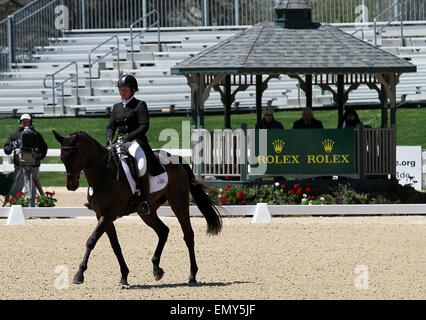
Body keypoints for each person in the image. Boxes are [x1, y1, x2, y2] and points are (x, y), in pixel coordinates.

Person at [106, 74, 165, 214]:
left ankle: (144, 200)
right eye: (120, 89)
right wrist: (109, 138)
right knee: (105, 162)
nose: (122, 92)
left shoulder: (140, 105)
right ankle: (100, 196)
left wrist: (129, 136)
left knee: (141, 166)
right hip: (119, 142)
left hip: (135, 142)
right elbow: (110, 126)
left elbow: (144, 126)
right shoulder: (116, 107)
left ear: (133, 90)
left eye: (125, 89)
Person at [3, 113, 48, 206]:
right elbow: (6, 149)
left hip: (34, 165)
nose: (26, 123)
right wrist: (12, 146)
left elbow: (44, 148)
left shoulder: (36, 134)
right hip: (19, 165)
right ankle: (15, 207)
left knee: (32, 188)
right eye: (24, 121)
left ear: (31, 122)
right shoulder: (15, 134)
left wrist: (38, 156)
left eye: (27, 121)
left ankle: (31, 208)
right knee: (17, 188)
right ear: (20, 122)